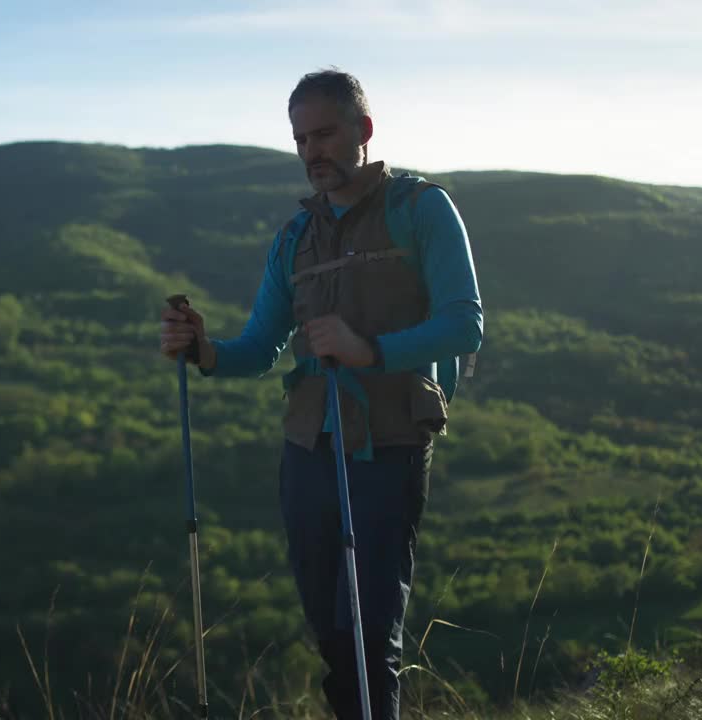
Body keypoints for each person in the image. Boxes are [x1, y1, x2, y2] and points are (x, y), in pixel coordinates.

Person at [159, 69, 483, 719]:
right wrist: (203, 349)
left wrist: (372, 351)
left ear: (363, 131)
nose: (313, 152)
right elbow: (258, 348)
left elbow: (464, 322)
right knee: (332, 637)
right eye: (301, 140)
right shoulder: (293, 239)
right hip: (307, 448)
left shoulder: (420, 209)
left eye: (325, 135)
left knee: (368, 635)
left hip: (388, 445)